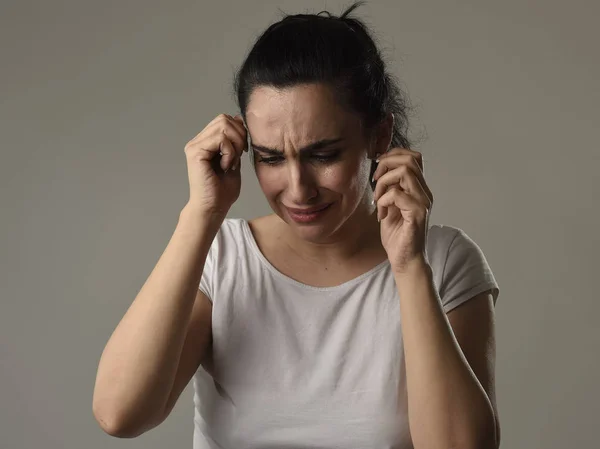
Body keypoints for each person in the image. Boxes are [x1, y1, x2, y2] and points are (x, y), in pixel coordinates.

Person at [92, 2, 501, 448]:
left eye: (323, 155)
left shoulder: (444, 262)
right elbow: (119, 413)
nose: (297, 189)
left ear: (379, 136)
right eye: (269, 158)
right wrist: (200, 215)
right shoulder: (222, 257)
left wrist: (408, 269)